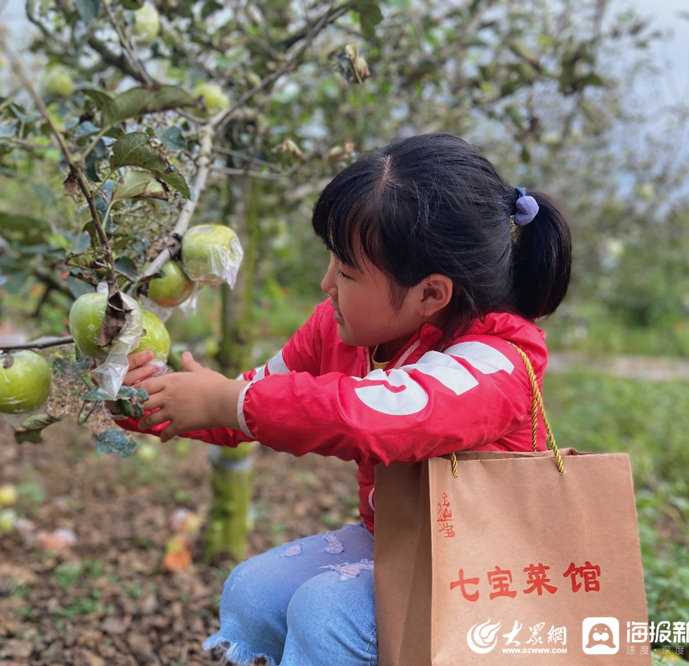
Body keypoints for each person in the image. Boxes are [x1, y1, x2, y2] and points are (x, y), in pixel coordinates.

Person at [108, 133, 572, 666]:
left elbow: (380, 413)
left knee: (324, 612)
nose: (326, 283)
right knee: (252, 591)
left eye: (348, 273)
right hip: (402, 542)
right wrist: (149, 394)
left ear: (431, 294)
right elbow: (255, 395)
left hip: (493, 572)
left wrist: (228, 401)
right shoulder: (339, 328)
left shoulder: (497, 361)